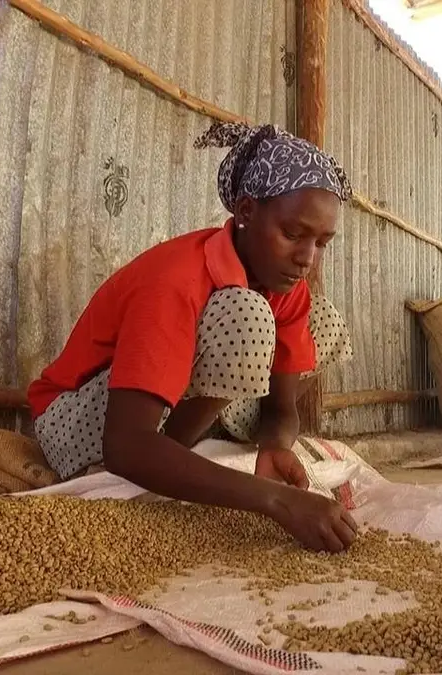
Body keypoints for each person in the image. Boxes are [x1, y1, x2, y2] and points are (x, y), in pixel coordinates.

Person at [27, 122, 358, 552]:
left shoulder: (287, 288)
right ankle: (166, 458)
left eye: (322, 242)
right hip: (78, 421)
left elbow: (280, 409)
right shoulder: (177, 280)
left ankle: (175, 456)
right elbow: (124, 445)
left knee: (321, 318)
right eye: (293, 234)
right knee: (247, 317)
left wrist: (275, 447)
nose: (306, 259)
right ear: (245, 212)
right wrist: (278, 502)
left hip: (161, 417)